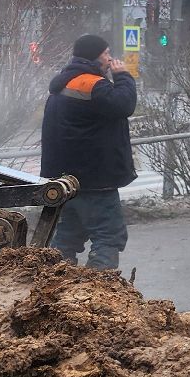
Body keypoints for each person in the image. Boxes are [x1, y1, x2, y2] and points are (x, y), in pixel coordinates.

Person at [41, 34, 139, 270]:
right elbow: (124, 104)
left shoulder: (63, 83)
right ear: (94, 56)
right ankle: (97, 289)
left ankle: (53, 282)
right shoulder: (92, 84)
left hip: (66, 181)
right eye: (106, 54)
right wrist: (124, 76)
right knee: (108, 235)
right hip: (95, 181)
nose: (109, 59)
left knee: (67, 237)